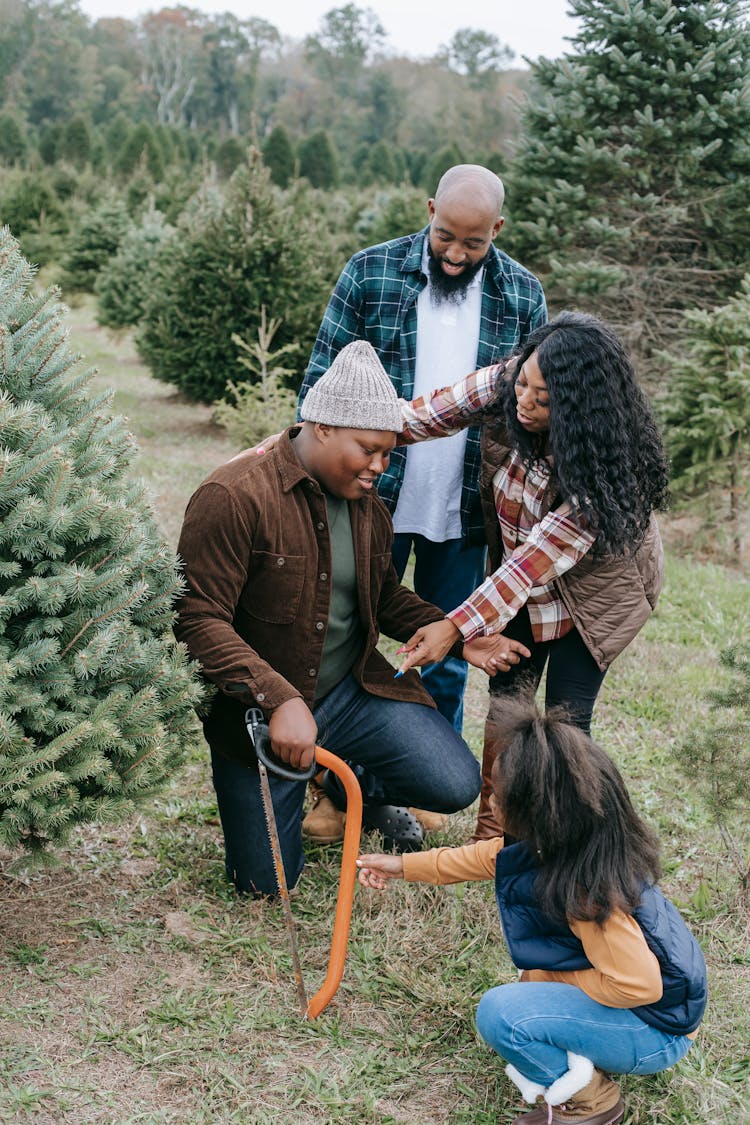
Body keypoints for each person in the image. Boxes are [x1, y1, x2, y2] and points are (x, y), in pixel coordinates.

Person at [174, 340, 481, 897]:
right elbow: (197, 618)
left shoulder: (369, 508)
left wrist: (459, 632)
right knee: (265, 886)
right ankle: (308, 777)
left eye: (388, 454)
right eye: (368, 450)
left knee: (455, 782)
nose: (379, 468)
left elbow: (384, 597)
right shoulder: (233, 495)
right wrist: (280, 699)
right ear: (321, 427)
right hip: (262, 717)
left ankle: (350, 787)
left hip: (349, 692)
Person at [357, 698, 707, 1125]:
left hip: (655, 1031)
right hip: (652, 1014)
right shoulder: (570, 841)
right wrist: (402, 866)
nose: (490, 803)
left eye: (498, 796)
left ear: (537, 810)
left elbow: (640, 987)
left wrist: (551, 977)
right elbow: (486, 858)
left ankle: (591, 1103)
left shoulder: (587, 892)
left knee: (502, 1013)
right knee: (530, 985)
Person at [392, 311, 670, 841]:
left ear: (579, 409)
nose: (524, 401)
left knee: (567, 722)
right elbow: (419, 416)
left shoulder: (609, 473)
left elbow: (533, 563)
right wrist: (309, 436)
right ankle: (496, 838)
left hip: (595, 597)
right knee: (507, 705)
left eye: (543, 399)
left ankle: (572, 841)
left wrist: (453, 628)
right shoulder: (509, 381)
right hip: (522, 579)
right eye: (523, 384)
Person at [299, 164, 547, 748]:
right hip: (371, 493)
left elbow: (534, 408)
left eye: (475, 242)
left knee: (449, 646)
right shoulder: (370, 271)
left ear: (498, 229)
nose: (457, 254)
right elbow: (319, 384)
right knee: (343, 637)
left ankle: (426, 780)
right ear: (429, 209)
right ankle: (340, 784)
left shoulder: (522, 295)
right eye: (446, 237)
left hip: (464, 507)